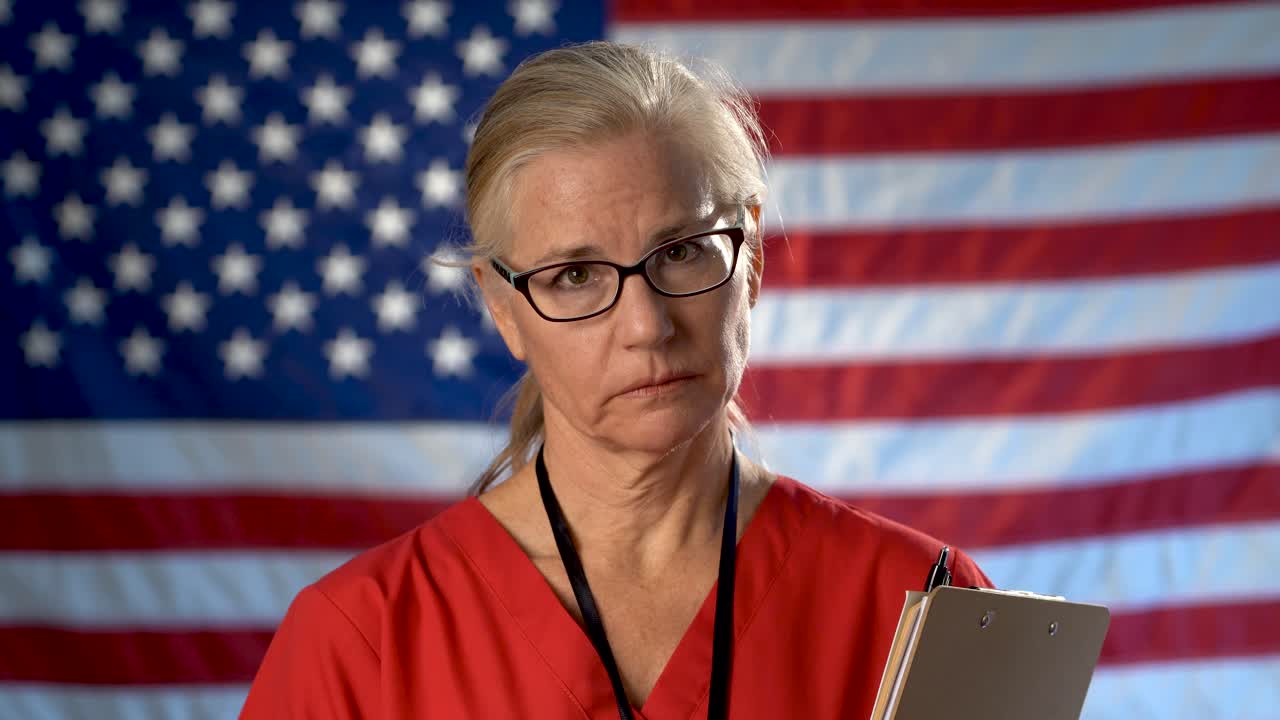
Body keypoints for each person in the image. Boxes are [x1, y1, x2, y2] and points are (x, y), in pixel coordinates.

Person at [240, 41, 991, 719]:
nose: (647, 325)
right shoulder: (360, 641)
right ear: (503, 306)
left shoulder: (930, 608)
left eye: (682, 252)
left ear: (751, 257)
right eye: (575, 274)